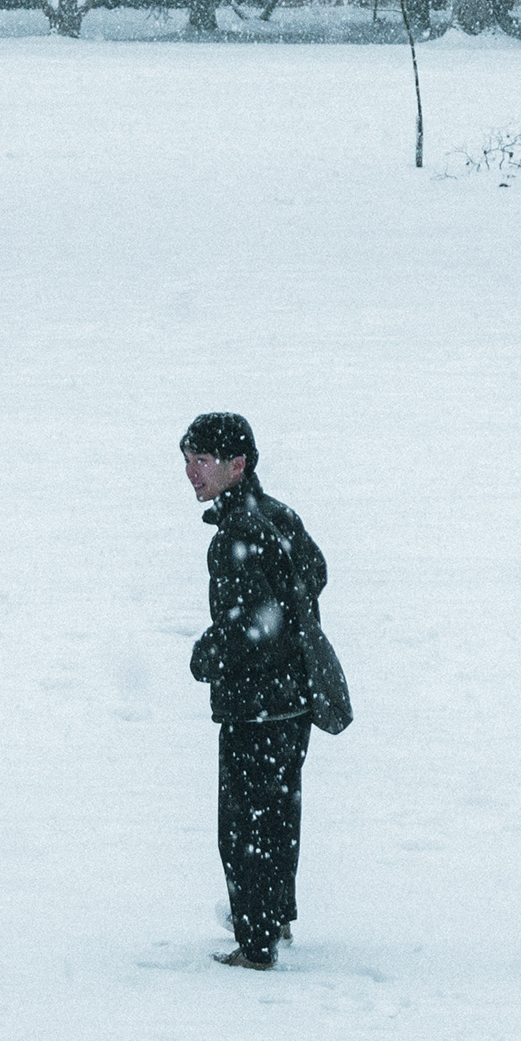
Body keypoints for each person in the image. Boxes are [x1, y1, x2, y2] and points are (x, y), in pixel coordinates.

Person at [180, 411, 325, 969]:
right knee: (279, 816)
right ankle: (276, 918)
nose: (191, 472)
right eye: (187, 460)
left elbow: (249, 631)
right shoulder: (277, 515)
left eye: (202, 460)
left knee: (244, 828)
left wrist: (206, 655)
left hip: (256, 706)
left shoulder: (236, 535)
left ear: (237, 465)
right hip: (294, 700)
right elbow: (316, 572)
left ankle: (257, 944)